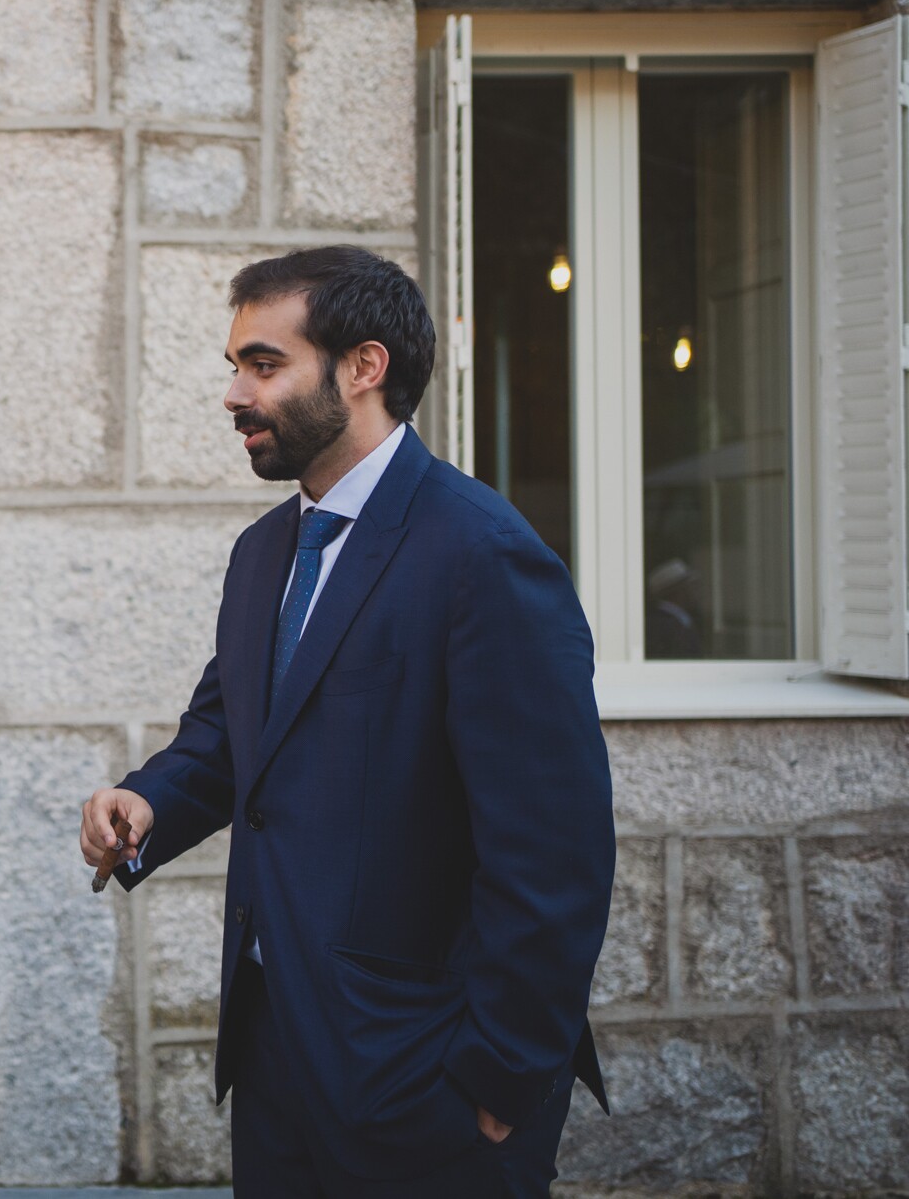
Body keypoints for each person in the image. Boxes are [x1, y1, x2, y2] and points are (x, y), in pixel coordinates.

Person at [79, 246, 613, 1197]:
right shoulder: (263, 552)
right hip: (279, 1057)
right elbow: (231, 735)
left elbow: (555, 853)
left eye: (264, 364)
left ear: (363, 368)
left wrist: (494, 1084)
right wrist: (146, 801)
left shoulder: (485, 555)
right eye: (234, 366)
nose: (236, 393)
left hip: (428, 1076)